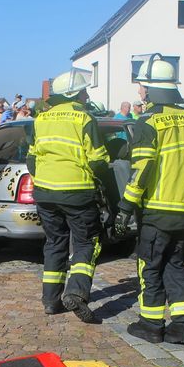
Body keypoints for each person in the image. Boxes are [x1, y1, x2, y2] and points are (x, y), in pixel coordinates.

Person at [115, 55, 184, 345]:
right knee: (176, 266)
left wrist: (126, 206)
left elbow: (142, 169)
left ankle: (151, 324)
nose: (140, 92)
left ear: (151, 89)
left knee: (149, 267)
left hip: (157, 210)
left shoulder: (149, 122)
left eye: (142, 87)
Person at [27, 68, 109, 323]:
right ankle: (76, 292)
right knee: (86, 243)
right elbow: (98, 161)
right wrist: (105, 185)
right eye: (84, 90)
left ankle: (51, 301)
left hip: (46, 193)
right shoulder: (84, 118)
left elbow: (31, 159)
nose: (86, 95)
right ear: (74, 94)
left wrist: (43, 182)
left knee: (54, 243)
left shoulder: (41, 119)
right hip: (77, 193)